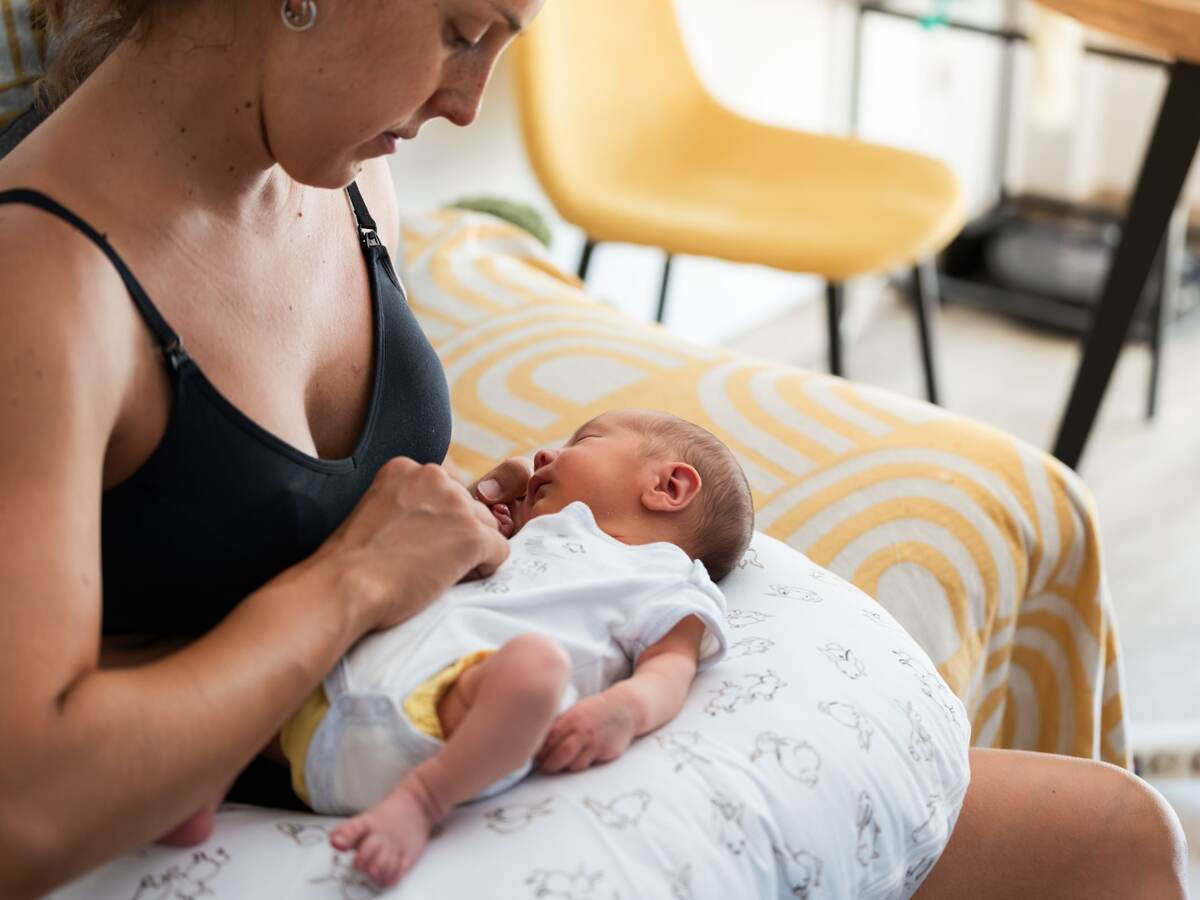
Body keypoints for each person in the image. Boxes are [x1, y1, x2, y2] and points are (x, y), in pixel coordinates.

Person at [0, 2, 1186, 899]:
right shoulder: (44, 288)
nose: (469, 104)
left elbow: (325, 503)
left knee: (1118, 835)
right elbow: (27, 811)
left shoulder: (355, 182)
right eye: (466, 30)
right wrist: (351, 580)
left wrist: (466, 525)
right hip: (265, 797)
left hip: (458, 732)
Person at [275, 409, 747, 886]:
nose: (545, 454)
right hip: (330, 692)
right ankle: (213, 775)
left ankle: (422, 802)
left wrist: (625, 709)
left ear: (668, 487)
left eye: (585, 440)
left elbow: (671, 666)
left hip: (446, 716)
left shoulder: (666, 578)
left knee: (535, 668)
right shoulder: (528, 531)